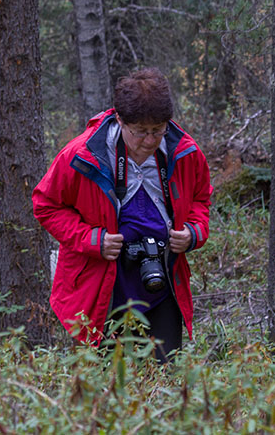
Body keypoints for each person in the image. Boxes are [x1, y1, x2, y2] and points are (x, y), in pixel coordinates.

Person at [32, 68, 212, 361]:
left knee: (165, 375)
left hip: (162, 282)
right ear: (120, 119)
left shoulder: (185, 152)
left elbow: (201, 199)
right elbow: (45, 204)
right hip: (100, 289)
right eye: (140, 131)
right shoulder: (82, 156)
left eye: (158, 130)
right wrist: (92, 239)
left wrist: (193, 232)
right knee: (106, 378)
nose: (150, 140)